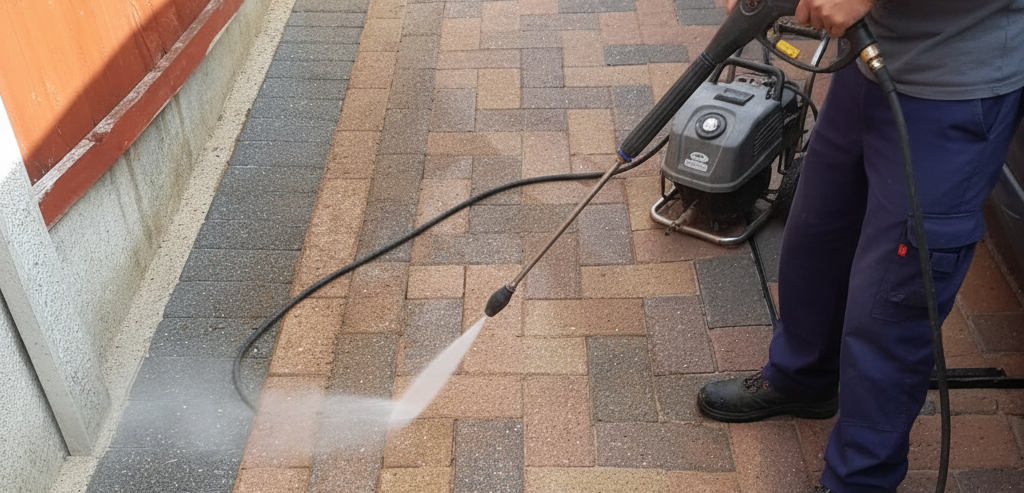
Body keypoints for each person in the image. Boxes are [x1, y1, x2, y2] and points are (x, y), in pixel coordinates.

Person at [697, 1, 1024, 492]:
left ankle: (861, 479)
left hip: (953, 87)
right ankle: (804, 377)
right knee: (817, 236)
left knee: (894, 298)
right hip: (867, 63)